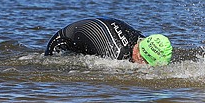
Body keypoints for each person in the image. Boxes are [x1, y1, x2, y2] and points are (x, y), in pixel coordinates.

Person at [44, 18, 173, 66]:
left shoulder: (141, 40)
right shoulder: (116, 54)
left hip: (86, 37)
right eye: (147, 65)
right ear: (140, 56)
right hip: (61, 42)